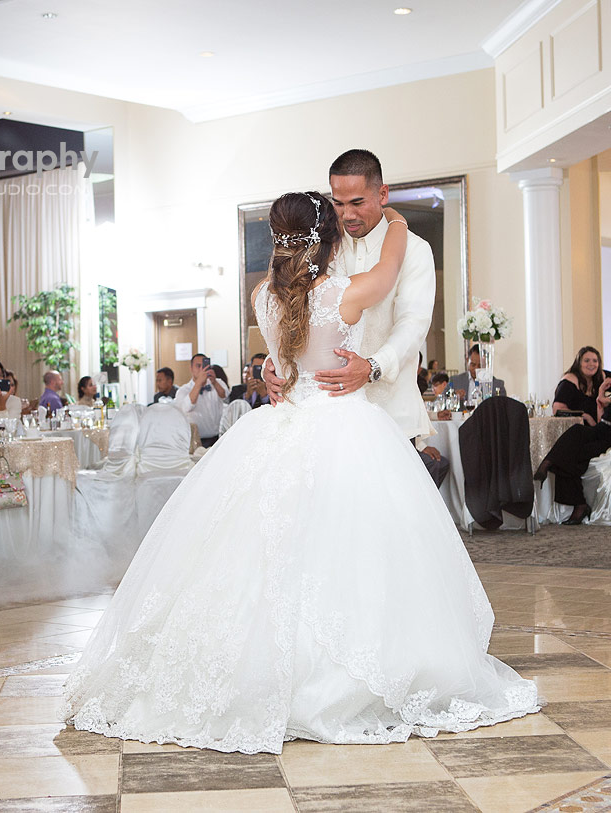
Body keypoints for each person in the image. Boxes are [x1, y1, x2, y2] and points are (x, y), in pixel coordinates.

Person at [60, 191, 539, 752]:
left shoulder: (265, 296)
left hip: (281, 423)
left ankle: (258, 664)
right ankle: (343, 670)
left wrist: (274, 366)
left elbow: (284, 358)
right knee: (351, 548)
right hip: (341, 423)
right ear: (328, 238)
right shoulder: (342, 293)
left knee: (261, 550)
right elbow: (387, 273)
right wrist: (399, 224)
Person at [264, 149, 444, 487]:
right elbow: (296, 306)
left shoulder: (414, 250)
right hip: (325, 418)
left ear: (383, 194)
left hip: (390, 411)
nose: (347, 215)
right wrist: (274, 363)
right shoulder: (323, 246)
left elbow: (413, 324)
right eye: (339, 203)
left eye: (357, 202)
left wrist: (373, 365)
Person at [534, 345, 611, 524]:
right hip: (602, 429)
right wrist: (601, 394)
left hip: (610, 437)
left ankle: (571, 494)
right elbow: (602, 415)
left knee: (570, 454)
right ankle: (551, 468)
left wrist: (610, 398)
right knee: (575, 432)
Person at [175, 353, 228, 447]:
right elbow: (187, 407)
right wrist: (199, 383)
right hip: (196, 441)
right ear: (191, 368)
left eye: (203, 365)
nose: (201, 369)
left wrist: (214, 382)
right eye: (198, 366)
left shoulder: (217, 382)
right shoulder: (183, 390)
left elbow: (225, 396)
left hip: (218, 438)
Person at [552, 347, 606, 424]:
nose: (591, 364)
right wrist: (585, 416)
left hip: (595, 429)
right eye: (586, 361)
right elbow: (557, 409)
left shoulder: (599, 377)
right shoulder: (568, 382)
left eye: (595, 361)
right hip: (575, 428)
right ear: (579, 363)